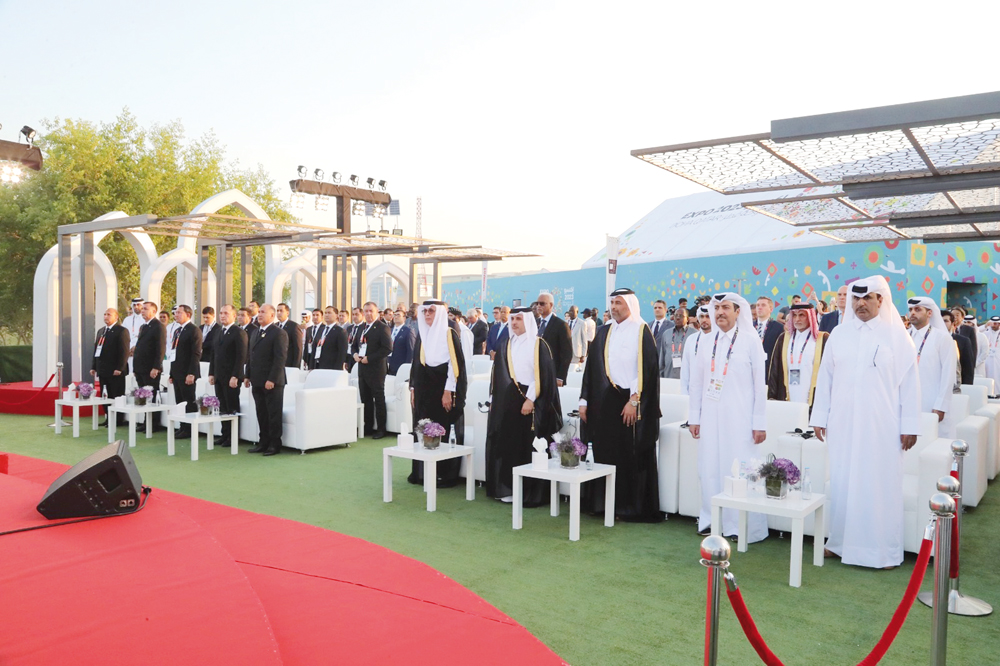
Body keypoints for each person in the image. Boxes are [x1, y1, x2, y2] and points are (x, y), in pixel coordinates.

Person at [810, 276, 921, 569]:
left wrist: (910, 425)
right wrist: (819, 417)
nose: (860, 304)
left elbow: (910, 384)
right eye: (856, 299)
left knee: (879, 484)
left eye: (867, 298)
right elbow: (825, 379)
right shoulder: (839, 334)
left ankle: (882, 552)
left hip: (882, 425)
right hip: (843, 422)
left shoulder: (897, 336)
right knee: (843, 480)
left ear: (880, 300)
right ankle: (838, 542)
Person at [689, 293, 768, 541]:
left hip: (740, 417)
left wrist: (759, 423)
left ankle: (738, 526)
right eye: (717, 308)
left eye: (725, 307)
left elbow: (760, 386)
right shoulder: (705, 341)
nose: (720, 312)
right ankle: (711, 519)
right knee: (709, 467)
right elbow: (696, 382)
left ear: (737, 312)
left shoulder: (750, 341)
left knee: (739, 468)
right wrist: (694, 417)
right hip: (710, 416)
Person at [579, 288, 662, 523]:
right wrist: (584, 401)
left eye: (619, 303)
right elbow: (591, 369)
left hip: (630, 402)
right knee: (603, 452)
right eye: (612, 303)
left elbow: (647, 370)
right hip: (604, 402)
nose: (614, 307)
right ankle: (601, 505)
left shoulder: (641, 330)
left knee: (628, 456)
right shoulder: (604, 331)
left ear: (630, 305)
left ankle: (627, 508)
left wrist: (634, 401)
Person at [485, 307, 562, 505]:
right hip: (508, 401)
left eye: (518, 319)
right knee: (508, 444)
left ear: (527, 321)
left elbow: (542, 375)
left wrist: (530, 399)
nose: (514, 323)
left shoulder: (538, 344)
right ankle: (508, 488)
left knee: (527, 445)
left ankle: (529, 493)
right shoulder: (506, 343)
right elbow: (497, 374)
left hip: (531, 401)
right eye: (512, 319)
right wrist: (494, 399)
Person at [408, 300, 469, 488]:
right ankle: (422, 473)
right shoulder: (423, 332)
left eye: (431, 311)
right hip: (424, 389)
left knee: (443, 427)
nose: (427, 314)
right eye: (425, 311)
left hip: (443, 389)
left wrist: (448, 391)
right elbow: (416, 363)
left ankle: (444, 475)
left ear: (440, 313)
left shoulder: (449, 333)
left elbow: (455, 365)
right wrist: (413, 388)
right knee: (423, 425)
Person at [908, 297, 958, 437]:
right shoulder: (904, 336)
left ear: (929, 313)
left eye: (918, 309)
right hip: (908, 402)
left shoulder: (942, 338)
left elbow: (949, 374)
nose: (912, 313)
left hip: (932, 402)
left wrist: (941, 406)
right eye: (910, 310)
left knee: (933, 441)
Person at [766, 303, 829, 408]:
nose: (797, 319)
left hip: (814, 400)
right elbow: (774, 370)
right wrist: (772, 398)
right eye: (794, 315)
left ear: (810, 317)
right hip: (786, 398)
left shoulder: (822, 339)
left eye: (801, 315)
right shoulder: (784, 338)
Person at [244, 304, 287, 455]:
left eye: (263, 312)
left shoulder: (278, 333)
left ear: (272, 315)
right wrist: (247, 375)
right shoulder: (256, 331)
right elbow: (251, 356)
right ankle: (263, 442)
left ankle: (275, 444)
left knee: (273, 413)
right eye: (259, 312)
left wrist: (272, 379)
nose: (259, 314)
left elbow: (280, 359)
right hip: (257, 379)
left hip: (272, 382)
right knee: (261, 412)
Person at [208, 305, 248, 446]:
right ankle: (224, 434)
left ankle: (233, 436)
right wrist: (211, 373)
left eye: (226, 313)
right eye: (221, 313)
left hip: (231, 377)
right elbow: (213, 354)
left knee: (232, 407)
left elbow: (241, 356)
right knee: (222, 407)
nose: (222, 316)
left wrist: (236, 376)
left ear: (234, 316)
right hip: (219, 376)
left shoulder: (238, 332)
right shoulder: (218, 331)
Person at [354, 301, 392, 438]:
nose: (368, 314)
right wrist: (355, 354)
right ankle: (368, 426)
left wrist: (370, 358)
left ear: (377, 312)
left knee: (378, 398)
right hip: (362, 368)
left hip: (376, 369)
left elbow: (387, 348)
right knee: (365, 398)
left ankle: (381, 429)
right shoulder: (361, 327)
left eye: (371, 311)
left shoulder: (382, 328)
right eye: (366, 311)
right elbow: (354, 345)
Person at [167, 305, 203, 439]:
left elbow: (196, 353)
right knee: (180, 401)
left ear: (188, 314)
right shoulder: (177, 331)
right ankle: (182, 427)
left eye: (179, 313)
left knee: (188, 401)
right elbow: (173, 353)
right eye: (175, 312)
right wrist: (171, 373)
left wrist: (191, 373)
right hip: (177, 371)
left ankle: (190, 429)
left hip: (187, 372)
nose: (175, 315)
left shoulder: (194, 330)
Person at [90, 308, 130, 425]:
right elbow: (96, 350)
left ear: (116, 317)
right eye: (105, 314)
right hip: (103, 369)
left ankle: (118, 419)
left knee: (116, 395)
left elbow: (124, 351)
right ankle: (108, 418)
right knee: (105, 395)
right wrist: (94, 366)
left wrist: (120, 368)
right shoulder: (101, 331)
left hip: (115, 370)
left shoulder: (121, 331)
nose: (106, 316)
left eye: (109, 314)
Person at [536, 293, 572, 386]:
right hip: (536, 373)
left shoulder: (561, 325)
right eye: (537, 303)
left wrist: (560, 377)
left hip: (552, 374)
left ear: (551, 305)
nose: (538, 306)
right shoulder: (535, 324)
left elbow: (567, 353)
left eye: (542, 303)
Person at [133, 301, 166, 393]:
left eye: (145, 309)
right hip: (140, 368)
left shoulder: (158, 326)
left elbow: (160, 348)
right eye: (142, 309)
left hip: (150, 368)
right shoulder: (144, 326)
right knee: (141, 395)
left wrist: (156, 367)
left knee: (151, 395)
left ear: (154, 311)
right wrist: (136, 368)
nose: (142, 311)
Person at [680, 305, 712, 395]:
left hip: (712, 391)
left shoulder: (719, 339)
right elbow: (685, 368)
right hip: (693, 391)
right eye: (701, 316)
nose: (704, 320)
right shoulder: (691, 339)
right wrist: (684, 392)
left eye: (708, 316)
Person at [659, 307, 697, 379]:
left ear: (687, 319)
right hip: (668, 377)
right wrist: (661, 376)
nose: (678, 318)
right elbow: (662, 358)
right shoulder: (666, 334)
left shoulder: (694, 334)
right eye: (676, 315)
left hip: (687, 378)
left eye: (681, 316)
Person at [942, 310, 973, 386]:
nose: (942, 323)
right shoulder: (929, 340)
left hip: (955, 385)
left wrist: (966, 387)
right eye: (940, 321)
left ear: (952, 323)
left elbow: (968, 369)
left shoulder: (963, 341)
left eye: (945, 321)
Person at [312, 306, 349, 371]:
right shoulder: (321, 329)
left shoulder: (340, 331)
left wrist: (337, 369)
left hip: (332, 367)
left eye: (329, 313)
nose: (326, 315)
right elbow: (314, 348)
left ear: (336, 315)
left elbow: (342, 352)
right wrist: (311, 366)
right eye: (325, 313)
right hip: (318, 365)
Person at [753, 296, 784, 373]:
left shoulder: (779, 328)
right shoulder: (749, 327)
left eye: (763, 305)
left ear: (771, 309)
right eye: (758, 305)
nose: (759, 307)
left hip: (769, 369)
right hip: (751, 368)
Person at [275, 303, 302, 369]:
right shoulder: (275, 326)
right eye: (277, 311)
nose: (278, 313)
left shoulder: (294, 326)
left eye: (281, 311)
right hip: (276, 364)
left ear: (287, 313)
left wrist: (296, 366)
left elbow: (298, 348)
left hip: (289, 364)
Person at [122, 297, 145, 371]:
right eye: (134, 305)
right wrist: (131, 347)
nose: (136, 307)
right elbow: (124, 336)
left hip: (142, 352)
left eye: (138, 305)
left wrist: (136, 347)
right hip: (129, 352)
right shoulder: (127, 320)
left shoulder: (146, 319)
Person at [981, 316, 1000, 387]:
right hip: (987, 359)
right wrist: (985, 326)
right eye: (992, 323)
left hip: (998, 359)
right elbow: (976, 331)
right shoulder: (986, 333)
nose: (993, 325)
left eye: (995, 323)